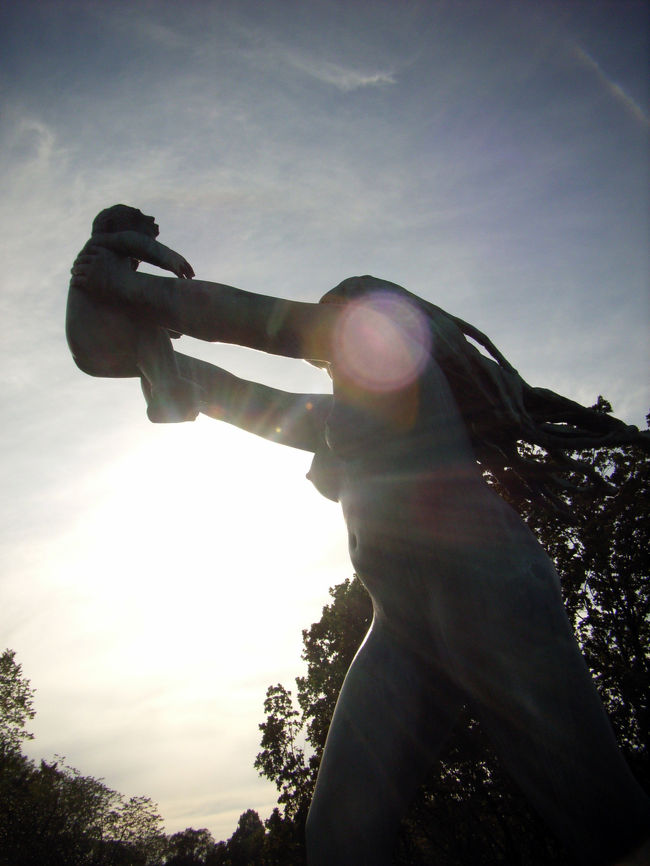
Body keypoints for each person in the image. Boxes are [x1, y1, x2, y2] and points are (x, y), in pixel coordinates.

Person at [69, 251, 650, 865]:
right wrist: (140, 351)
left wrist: (120, 286)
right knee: (339, 836)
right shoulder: (341, 419)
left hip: (491, 591)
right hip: (404, 627)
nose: (330, 327)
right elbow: (232, 394)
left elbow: (247, 319)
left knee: (602, 816)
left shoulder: (400, 373)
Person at [66, 204, 203, 422]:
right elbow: (137, 243)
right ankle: (168, 389)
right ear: (113, 227)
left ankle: (160, 403)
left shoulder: (104, 265)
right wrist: (168, 258)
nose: (151, 218)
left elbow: (117, 304)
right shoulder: (104, 244)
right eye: (138, 216)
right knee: (150, 330)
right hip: (94, 338)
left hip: (89, 355)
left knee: (147, 361)